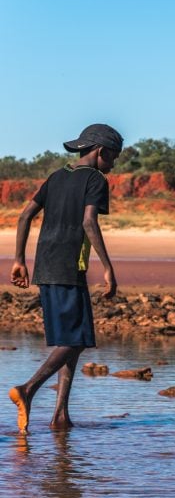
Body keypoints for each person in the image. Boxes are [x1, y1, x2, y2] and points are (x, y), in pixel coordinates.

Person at [8, 123, 123, 432]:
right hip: (70, 268)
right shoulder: (96, 180)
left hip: (45, 267)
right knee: (78, 338)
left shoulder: (56, 177)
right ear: (101, 152)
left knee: (66, 341)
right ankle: (28, 389)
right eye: (113, 158)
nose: (112, 165)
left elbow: (24, 216)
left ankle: (60, 416)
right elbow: (88, 222)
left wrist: (19, 260)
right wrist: (109, 267)